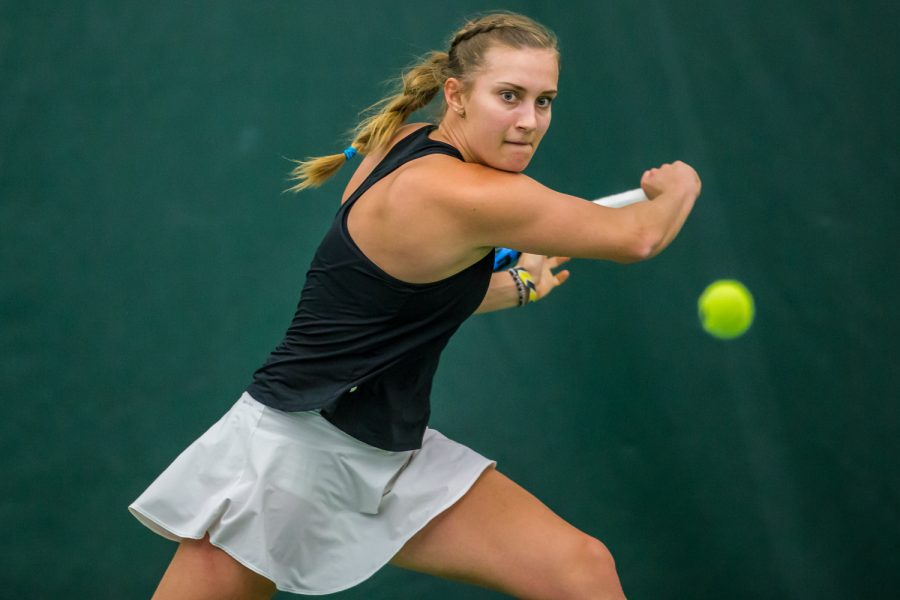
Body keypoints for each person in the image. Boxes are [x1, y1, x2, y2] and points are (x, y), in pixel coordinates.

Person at [130, 11, 700, 600]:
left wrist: (520, 285)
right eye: (509, 96)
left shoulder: (401, 143)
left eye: (544, 101)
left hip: (386, 449)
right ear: (455, 95)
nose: (529, 121)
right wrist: (679, 189)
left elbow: (396, 304)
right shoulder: (463, 192)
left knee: (580, 570)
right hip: (292, 454)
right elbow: (639, 236)